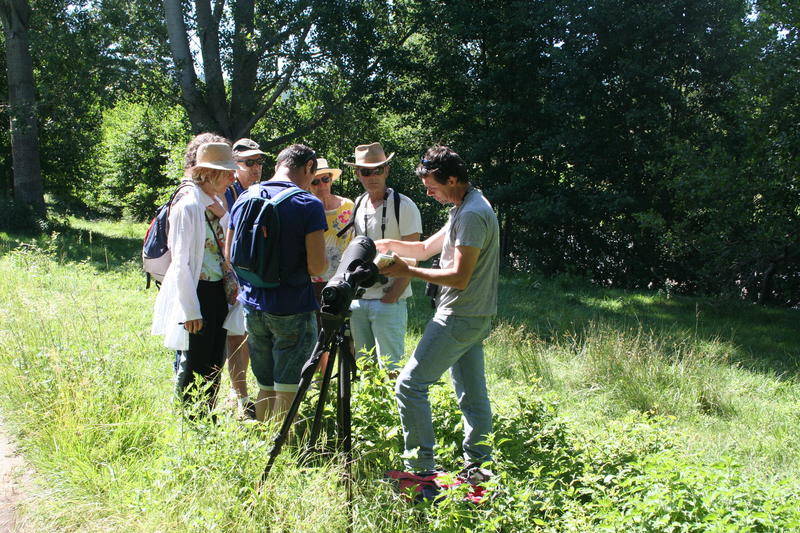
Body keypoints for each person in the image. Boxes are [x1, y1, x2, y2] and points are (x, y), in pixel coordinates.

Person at [375, 145, 499, 478]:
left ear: (453, 178)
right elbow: (426, 248)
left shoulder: (472, 214)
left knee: (409, 385)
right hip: (472, 314)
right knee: (472, 394)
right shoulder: (463, 205)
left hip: (459, 314)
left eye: (432, 186)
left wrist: (407, 272)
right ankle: (480, 468)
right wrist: (383, 245)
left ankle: (420, 469)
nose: (428, 193)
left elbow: (460, 276)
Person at [226, 144, 327, 422]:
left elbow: (229, 255)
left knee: (265, 384)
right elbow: (317, 266)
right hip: (292, 305)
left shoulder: (245, 197)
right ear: (308, 167)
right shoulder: (308, 204)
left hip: (253, 304)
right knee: (289, 387)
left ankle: (263, 440)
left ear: (278, 165)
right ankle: (284, 450)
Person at [151, 141, 239, 415]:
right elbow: (181, 263)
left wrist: (224, 215)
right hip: (197, 291)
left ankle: (207, 416)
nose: (232, 179)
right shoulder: (188, 206)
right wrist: (190, 310)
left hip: (216, 291)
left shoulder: (215, 202)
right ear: (209, 173)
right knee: (195, 363)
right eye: (226, 173)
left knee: (215, 360)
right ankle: (190, 422)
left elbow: (225, 240)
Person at [343, 142, 422, 372]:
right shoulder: (357, 204)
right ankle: (369, 409)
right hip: (359, 300)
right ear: (358, 173)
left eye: (378, 169)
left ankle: (391, 409)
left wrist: (392, 296)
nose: (372, 176)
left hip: (389, 299)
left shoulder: (404, 206)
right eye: (366, 171)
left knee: (391, 367)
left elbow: (414, 257)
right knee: (364, 367)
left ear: (387, 170)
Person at [223, 138, 268, 419]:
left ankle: (240, 394)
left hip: (252, 274)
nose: (256, 168)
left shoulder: (260, 191)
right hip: (228, 275)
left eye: (259, 162)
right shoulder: (228, 192)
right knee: (235, 336)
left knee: (246, 334)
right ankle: (239, 397)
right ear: (234, 166)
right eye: (249, 162)